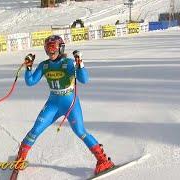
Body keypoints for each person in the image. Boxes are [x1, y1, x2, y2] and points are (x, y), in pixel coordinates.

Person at [14, 35, 114, 175]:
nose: (51, 53)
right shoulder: (45, 65)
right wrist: (29, 67)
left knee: (80, 131)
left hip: (70, 104)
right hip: (53, 103)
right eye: (48, 51)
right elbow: (30, 82)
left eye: (53, 50)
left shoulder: (67, 63)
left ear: (60, 49)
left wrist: (80, 64)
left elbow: (84, 79)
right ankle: (21, 157)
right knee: (36, 129)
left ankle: (103, 160)